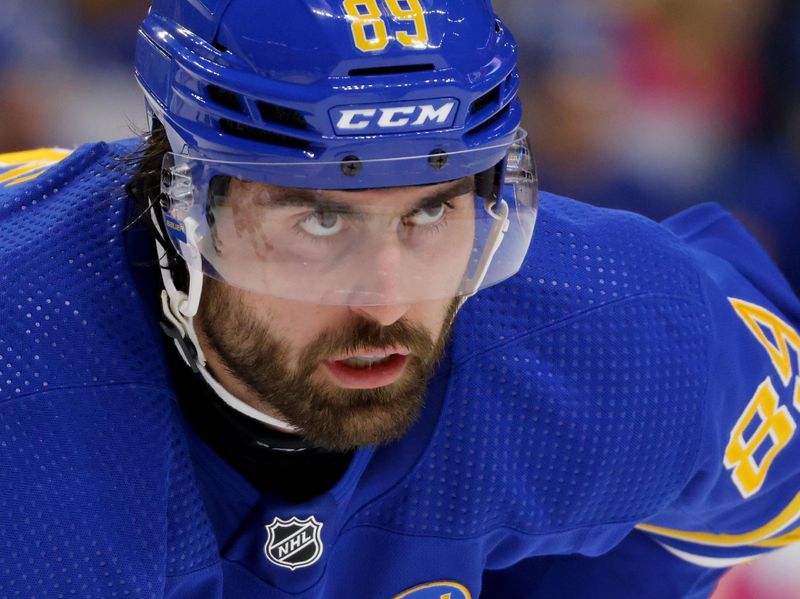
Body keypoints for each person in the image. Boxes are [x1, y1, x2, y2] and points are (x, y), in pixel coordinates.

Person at [1, 1, 799, 597]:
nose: (385, 299)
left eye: (430, 210)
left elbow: (761, 484)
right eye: (318, 218)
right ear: (181, 212)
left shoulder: (625, 334)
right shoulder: (25, 401)